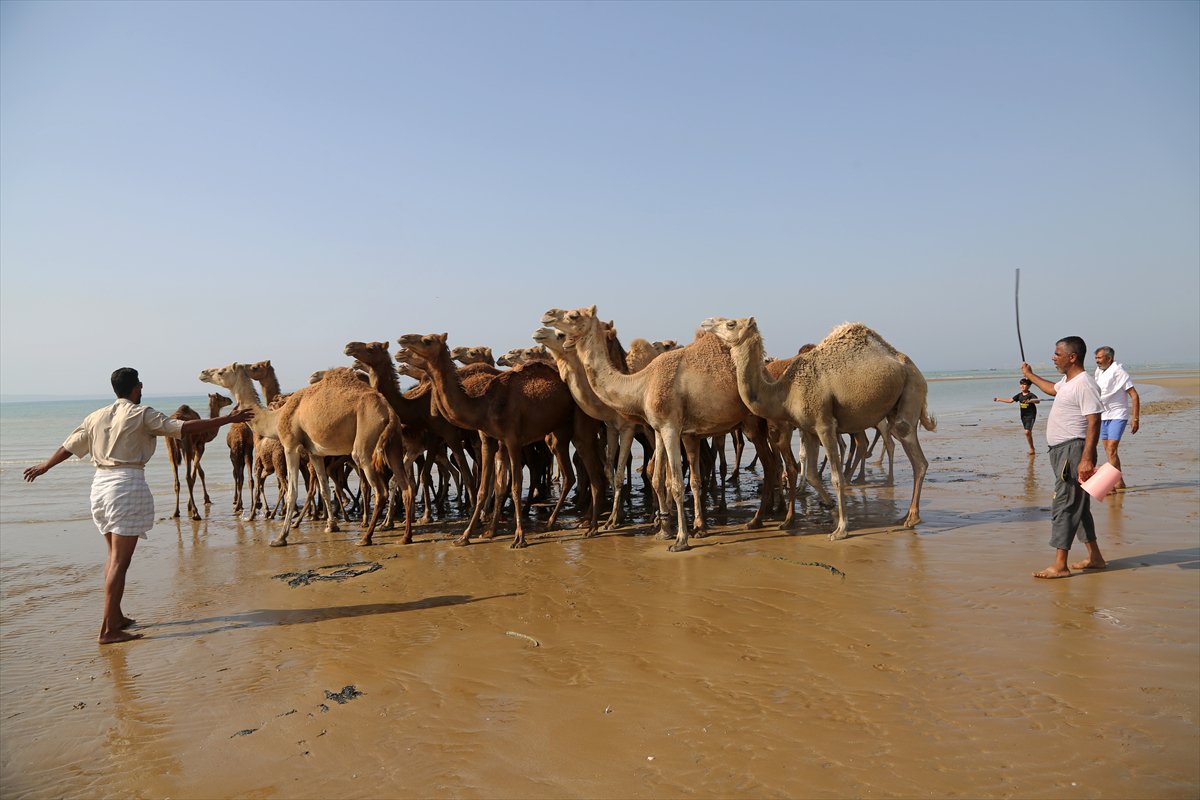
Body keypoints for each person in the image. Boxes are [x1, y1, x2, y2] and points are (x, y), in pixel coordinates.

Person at [24, 367, 253, 644]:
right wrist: (228, 419)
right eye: (140, 385)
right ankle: (108, 630)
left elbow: (69, 446)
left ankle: (116, 616)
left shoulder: (96, 416)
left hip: (99, 488)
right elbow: (183, 428)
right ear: (137, 388)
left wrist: (45, 466)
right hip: (125, 486)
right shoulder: (142, 414)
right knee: (120, 562)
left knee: (113, 558)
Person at [1021, 337, 1105, 579]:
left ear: (1072, 357)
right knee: (1080, 506)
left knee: (1064, 504)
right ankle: (1095, 557)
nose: (1053, 357)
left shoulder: (1084, 383)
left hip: (1074, 451)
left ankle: (1060, 565)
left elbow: (1094, 421)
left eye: (1057, 354)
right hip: (1062, 452)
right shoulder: (1068, 382)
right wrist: (1030, 375)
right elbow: (1052, 389)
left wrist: (1086, 458)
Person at [1094, 346, 1140, 490]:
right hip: (1103, 415)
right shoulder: (1098, 372)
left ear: (1109, 358)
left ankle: (1110, 483)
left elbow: (1134, 395)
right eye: (1096, 358)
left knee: (1111, 448)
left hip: (1118, 414)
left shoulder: (1119, 372)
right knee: (1109, 451)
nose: (1097, 361)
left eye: (1099, 358)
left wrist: (1135, 418)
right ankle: (1119, 482)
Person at [993, 378, 1041, 455]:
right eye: (1021, 384)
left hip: (1031, 415)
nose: (1022, 386)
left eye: (1024, 384)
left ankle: (1031, 448)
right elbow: (1010, 400)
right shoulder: (1019, 395)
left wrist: (1030, 401)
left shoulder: (1031, 395)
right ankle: (1032, 447)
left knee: (1027, 432)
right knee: (1028, 432)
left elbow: (1038, 401)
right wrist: (999, 399)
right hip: (1023, 416)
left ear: (1029, 386)